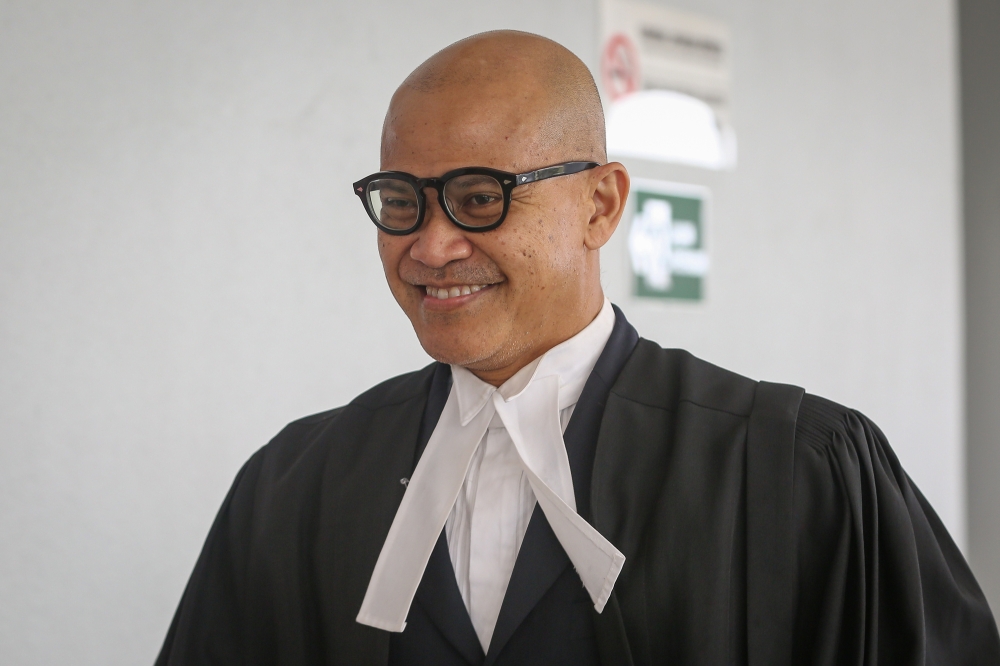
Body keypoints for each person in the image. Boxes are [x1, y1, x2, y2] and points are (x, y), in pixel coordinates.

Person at [155, 30, 1000, 666]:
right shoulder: (291, 489)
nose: (433, 244)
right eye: (403, 200)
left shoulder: (793, 469)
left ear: (600, 205)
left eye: (481, 197)